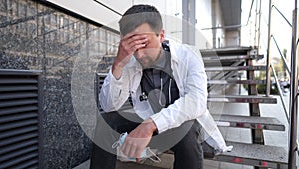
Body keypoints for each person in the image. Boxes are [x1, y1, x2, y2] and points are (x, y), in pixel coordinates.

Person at [90, 4, 231, 169]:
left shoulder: (188, 55)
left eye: (144, 43)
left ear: (161, 35)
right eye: (133, 45)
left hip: (179, 128)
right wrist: (118, 64)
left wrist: (150, 125)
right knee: (106, 121)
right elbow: (108, 106)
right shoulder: (131, 60)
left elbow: (196, 102)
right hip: (149, 120)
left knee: (187, 130)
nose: (139, 54)